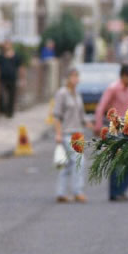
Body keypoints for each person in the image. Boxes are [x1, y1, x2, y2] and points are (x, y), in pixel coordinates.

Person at [94, 64, 128, 201]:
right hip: (115, 130)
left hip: (127, 130)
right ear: (124, 75)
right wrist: (98, 125)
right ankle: (114, 193)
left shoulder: (127, 91)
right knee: (116, 161)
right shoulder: (113, 88)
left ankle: (122, 190)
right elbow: (101, 107)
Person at [53, 68, 94, 203]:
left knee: (68, 164)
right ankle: (78, 191)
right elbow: (57, 116)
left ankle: (61, 192)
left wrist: (93, 126)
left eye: (77, 77)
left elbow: (81, 116)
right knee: (79, 161)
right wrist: (58, 133)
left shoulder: (77, 94)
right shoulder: (62, 93)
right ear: (67, 78)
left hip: (78, 133)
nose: (76, 79)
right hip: (66, 133)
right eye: (73, 77)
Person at [0, 40, 25, 118]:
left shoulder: (17, 56)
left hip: (12, 79)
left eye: (8, 44)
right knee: (1, 94)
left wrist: (22, 79)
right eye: (5, 44)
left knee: (12, 96)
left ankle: (10, 113)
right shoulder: (0, 57)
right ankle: (2, 110)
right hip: (2, 79)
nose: (6, 46)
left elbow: (21, 68)